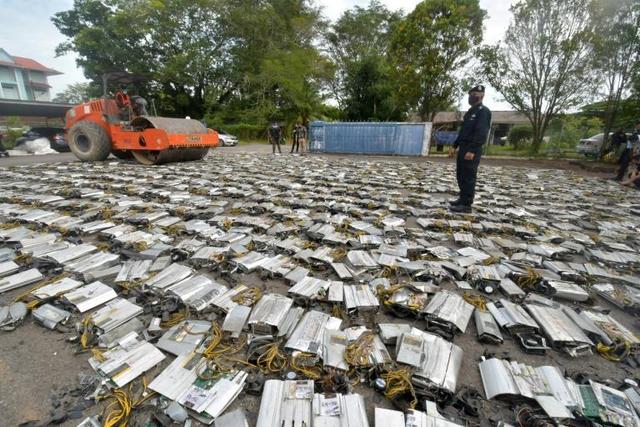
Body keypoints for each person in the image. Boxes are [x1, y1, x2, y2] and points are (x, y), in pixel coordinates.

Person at [448, 85, 492, 213]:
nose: (472, 97)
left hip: (472, 149)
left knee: (468, 176)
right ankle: (462, 198)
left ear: (482, 95)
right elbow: (463, 132)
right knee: (461, 174)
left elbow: (481, 132)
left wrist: (472, 149)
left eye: (475, 94)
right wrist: (455, 145)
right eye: (471, 94)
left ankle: (467, 204)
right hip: (463, 147)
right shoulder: (470, 112)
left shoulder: (483, 111)